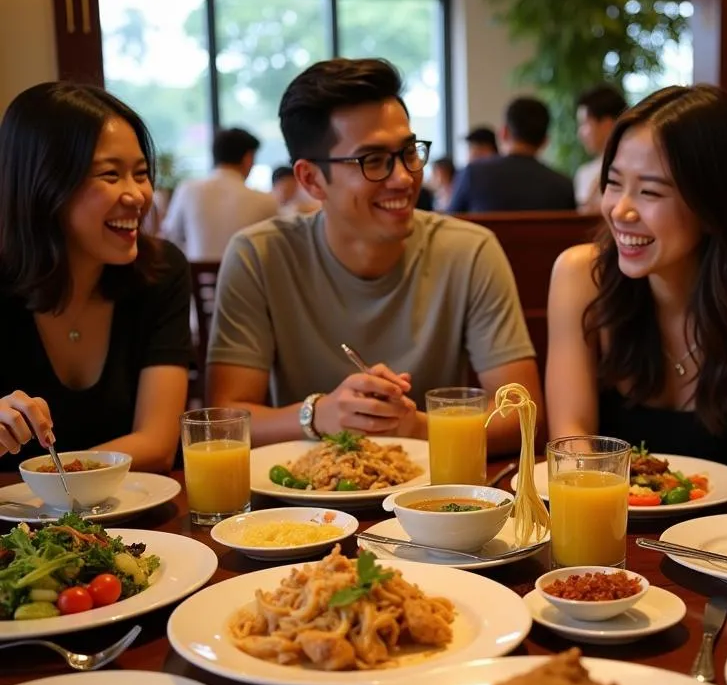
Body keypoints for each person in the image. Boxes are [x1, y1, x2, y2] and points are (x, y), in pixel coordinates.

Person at [206, 58, 541, 451]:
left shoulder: (469, 251)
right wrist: (318, 415)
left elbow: (519, 413)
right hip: (302, 505)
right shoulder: (259, 256)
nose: (403, 177)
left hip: (436, 501)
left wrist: (415, 426)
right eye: (374, 161)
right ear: (311, 179)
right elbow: (223, 420)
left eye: (409, 152)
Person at [546, 85, 727, 483]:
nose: (620, 210)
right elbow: (572, 443)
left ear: (713, 204)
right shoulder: (580, 276)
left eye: (650, 192)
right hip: (610, 527)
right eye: (614, 182)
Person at [0, 83, 192, 472]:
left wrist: (57, 476)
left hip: (133, 522)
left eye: (140, 173)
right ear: (45, 183)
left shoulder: (160, 272)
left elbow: (157, 444)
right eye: (110, 174)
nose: (137, 194)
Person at [161, 127, 277, 260]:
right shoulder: (266, 200)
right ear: (248, 158)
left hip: (195, 279)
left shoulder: (187, 190)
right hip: (243, 280)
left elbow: (170, 237)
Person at [447, 97, 576, 212]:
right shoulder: (563, 186)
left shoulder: (472, 175)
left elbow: (449, 225)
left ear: (503, 133)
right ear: (545, 141)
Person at [574, 84, 627, 213]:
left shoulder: (636, 168)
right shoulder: (584, 173)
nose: (580, 133)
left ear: (606, 124)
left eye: (584, 124)